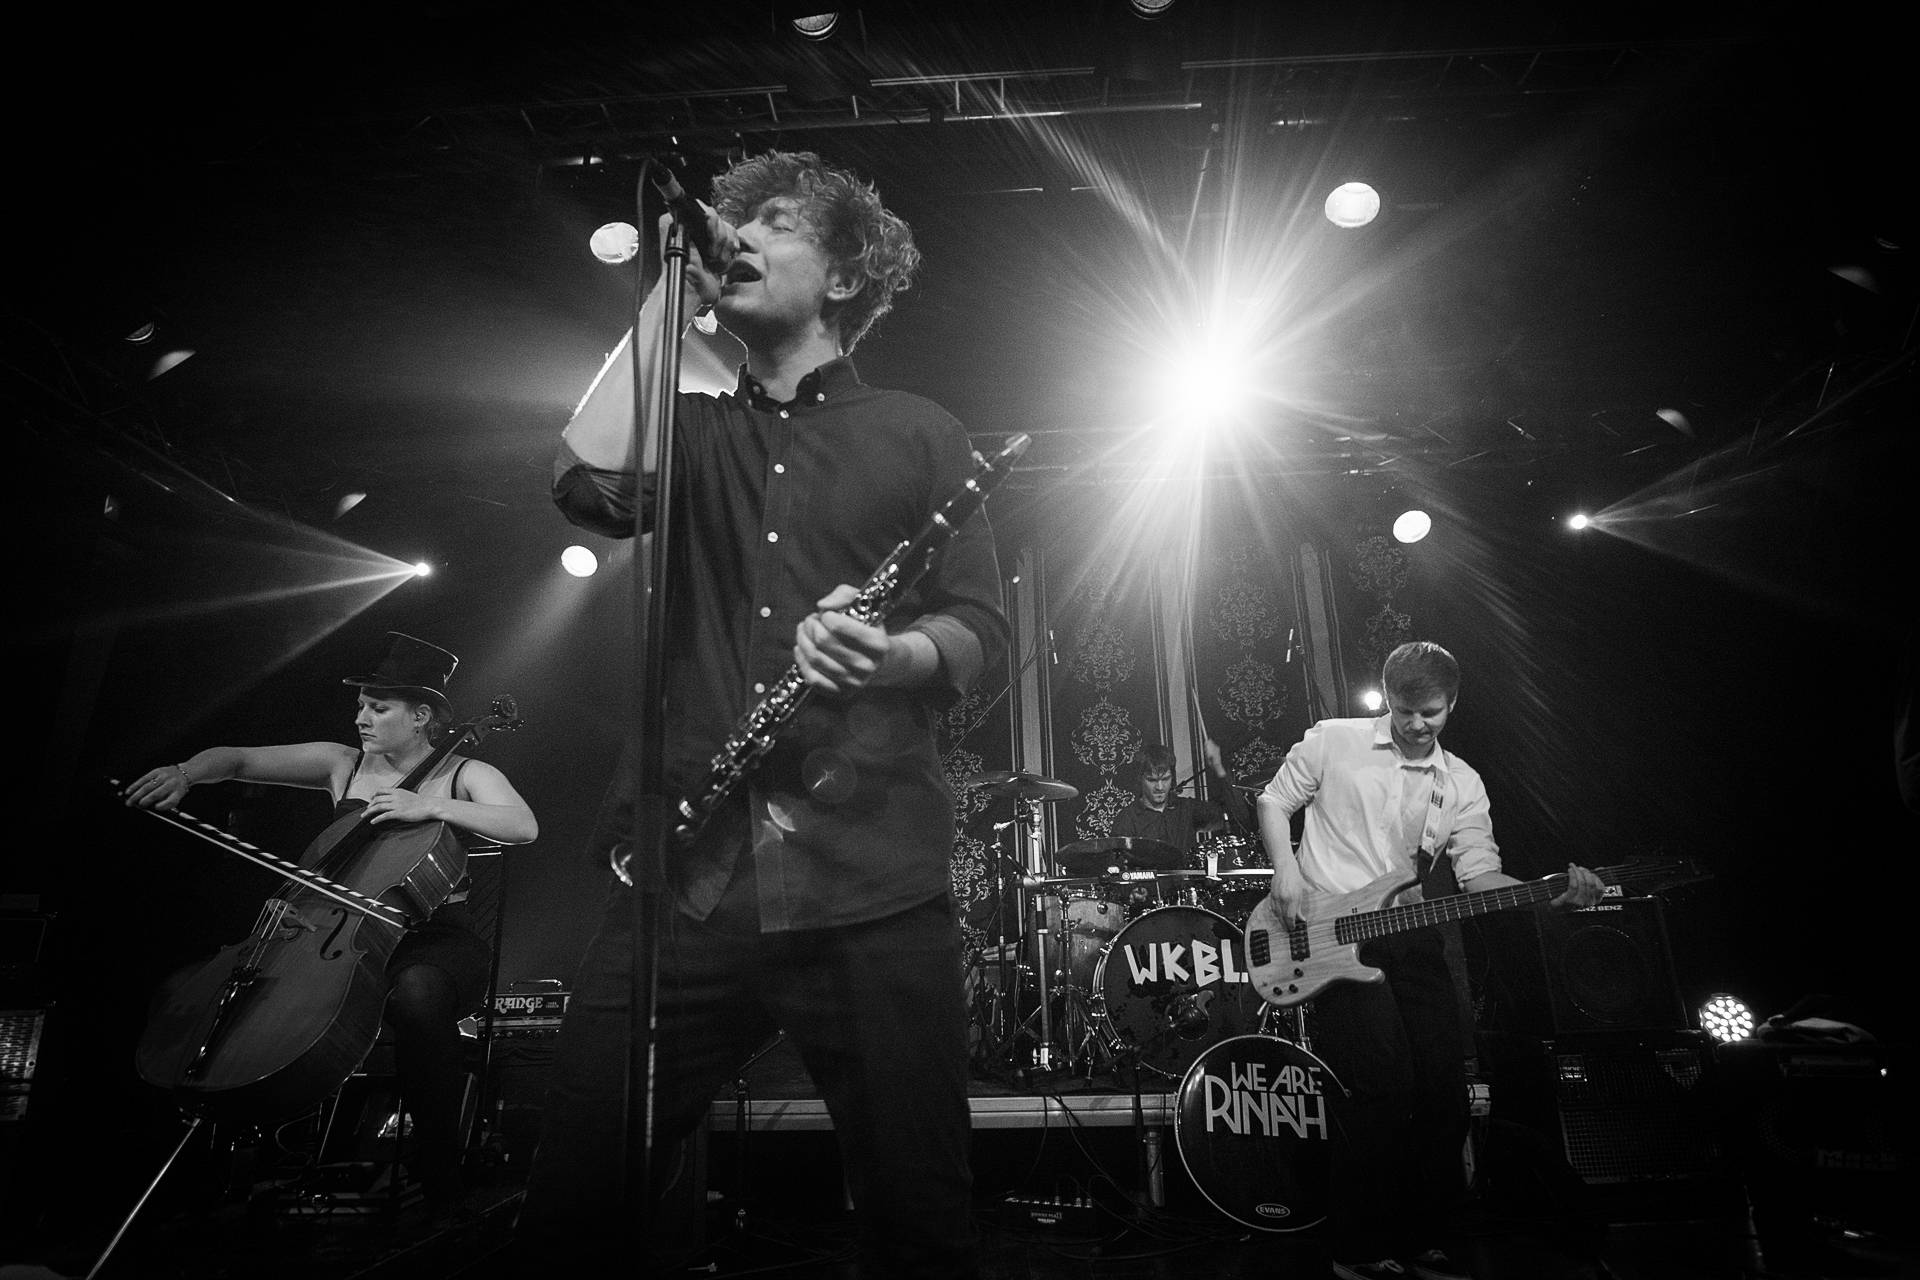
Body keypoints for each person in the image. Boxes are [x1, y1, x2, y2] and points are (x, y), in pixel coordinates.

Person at [518, 150, 1007, 1275]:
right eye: (731, 222)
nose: (737, 235)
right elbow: (584, 486)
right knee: (573, 1205)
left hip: (872, 882)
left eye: (775, 222)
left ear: (842, 276)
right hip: (687, 878)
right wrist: (670, 291)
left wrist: (890, 653)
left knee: (921, 1225)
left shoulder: (920, 429)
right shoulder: (690, 428)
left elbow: (981, 624)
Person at [122, 631, 538, 1219]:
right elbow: (237, 759)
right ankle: (209, 1167)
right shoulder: (342, 764)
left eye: (378, 707)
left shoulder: (465, 772)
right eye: (361, 704)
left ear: (421, 716)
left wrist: (431, 804)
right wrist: (185, 773)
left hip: (435, 937)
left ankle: (439, 1168)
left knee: (417, 994)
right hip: (329, 932)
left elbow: (522, 825)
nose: (361, 717)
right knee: (198, 993)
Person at [1256, 640, 1604, 1280]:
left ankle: (1421, 1238)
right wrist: (1286, 871)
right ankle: (1358, 1247)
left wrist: (1546, 894)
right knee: (1381, 1085)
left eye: (1432, 713)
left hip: (1410, 933)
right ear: (1387, 699)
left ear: (1453, 704)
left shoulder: (1461, 783)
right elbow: (1274, 801)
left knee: (1445, 1090)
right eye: (1405, 711)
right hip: (1327, 933)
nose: (1417, 725)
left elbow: (1480, 876)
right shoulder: (1334, 740)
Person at [1107, 740, 1251, 858]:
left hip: (1188, 884)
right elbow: (1117, 866)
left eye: (1166, 779)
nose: (1160, 787)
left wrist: (1219, 768)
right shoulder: (1127, 819)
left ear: (1173, 777)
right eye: (1152, 780)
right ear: (1140, 779)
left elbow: (1238, 816)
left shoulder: (1187, 809)